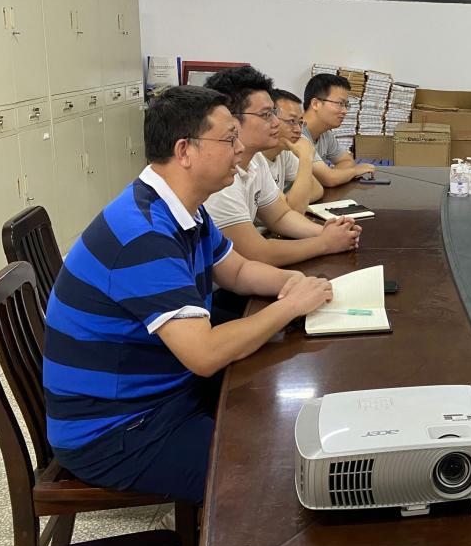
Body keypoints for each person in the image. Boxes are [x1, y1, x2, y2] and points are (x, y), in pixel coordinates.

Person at [43, 86, 335, 503]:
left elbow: (237, 270)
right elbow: (205, 354)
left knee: (272, 397)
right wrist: (289, 306)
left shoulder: (183, 208)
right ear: (184, 150)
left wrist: (292, 284)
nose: (240, 149)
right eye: (229, 138)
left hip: (161, 390)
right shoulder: (143, 235)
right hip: (116, 430)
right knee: (272, 480)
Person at [203, 66, 360, 266]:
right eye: (266, 115)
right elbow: (258, 253)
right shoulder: (218, 176)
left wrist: (328, 231)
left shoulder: (255, 160)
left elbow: (281, 216)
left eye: (274, 114)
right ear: (230, 119)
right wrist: (325, 243)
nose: (277, 123)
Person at [302, 73, 376, 187]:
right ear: (316, 104)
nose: (345, 111)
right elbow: (330, 179)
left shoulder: (325, 133)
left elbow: (347, 161)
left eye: (346, 105)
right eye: (340, 103)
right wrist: (354, 171)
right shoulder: (296, 134)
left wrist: (334, 175)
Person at [261, 88, 324, 212]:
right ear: (270, 119)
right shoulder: (255, 158)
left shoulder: (283, 151)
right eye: (291, 121)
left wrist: (288, 201)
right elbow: (293, 210)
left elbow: (317, 189)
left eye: (300, 123)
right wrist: (306, 157)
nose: (298, 130)